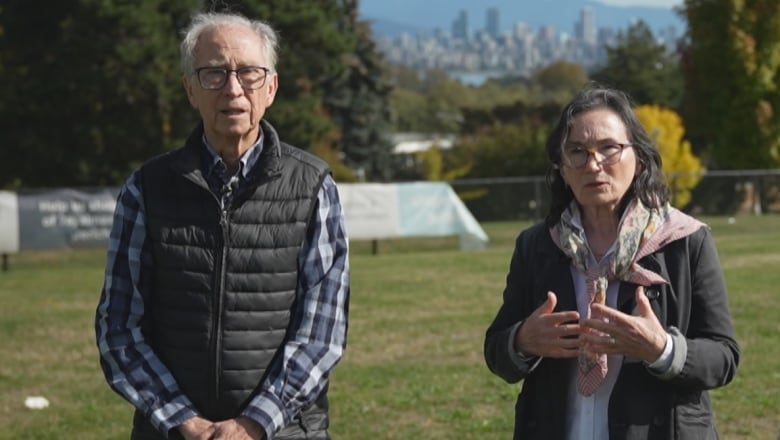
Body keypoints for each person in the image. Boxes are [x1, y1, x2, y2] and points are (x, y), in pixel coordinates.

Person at [95, 11, 349, 440]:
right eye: (213, 73)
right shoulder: (146, 189)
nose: (233, 88)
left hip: (285, 431)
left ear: (271, 87)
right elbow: (119, 328)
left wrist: (253, 424)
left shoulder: (313, 186)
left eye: (248, 72)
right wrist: (183, 422)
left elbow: (321, 334)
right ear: (189, 89)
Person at [483, 84, 739, 439]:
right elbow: (496, 350)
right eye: (577, 152)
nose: (593, 164)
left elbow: (724, 357)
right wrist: (522, 340)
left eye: (609, 148)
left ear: (640, 159)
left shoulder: (686, 241)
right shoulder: (537, 246)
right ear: (561, 167)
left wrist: (661, 349)